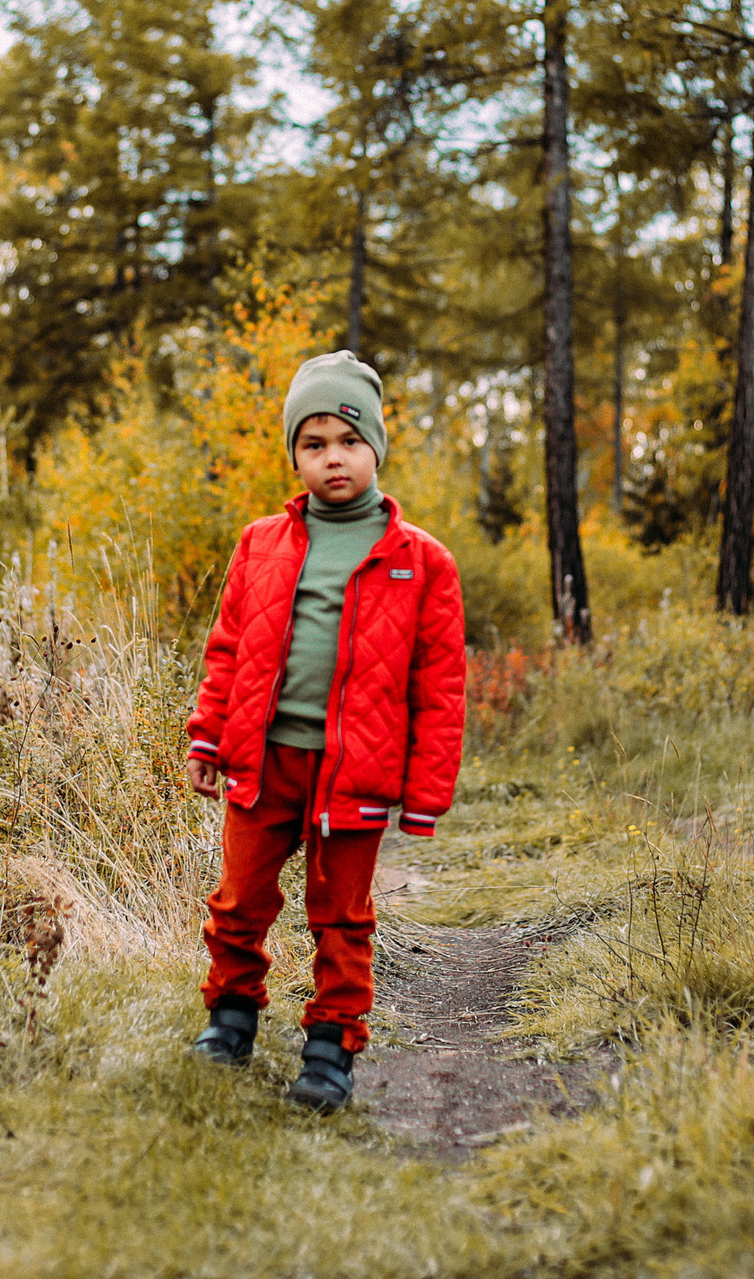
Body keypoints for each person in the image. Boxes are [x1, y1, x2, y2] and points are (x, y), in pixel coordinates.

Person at [183, 349, 466, 1111]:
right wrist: (207, 735)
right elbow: (228, 648)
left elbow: (440, 686)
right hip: (264, 758)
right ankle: (231, 1016)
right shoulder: (261, 544)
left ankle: (331, 1047)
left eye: (346, 439)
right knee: (239, 897)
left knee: (342, 913)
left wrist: (427, 790)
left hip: (357, 771)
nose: (332, 457)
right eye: (313, 444)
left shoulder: (420, 561)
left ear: (374, 445)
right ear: (295, 456)